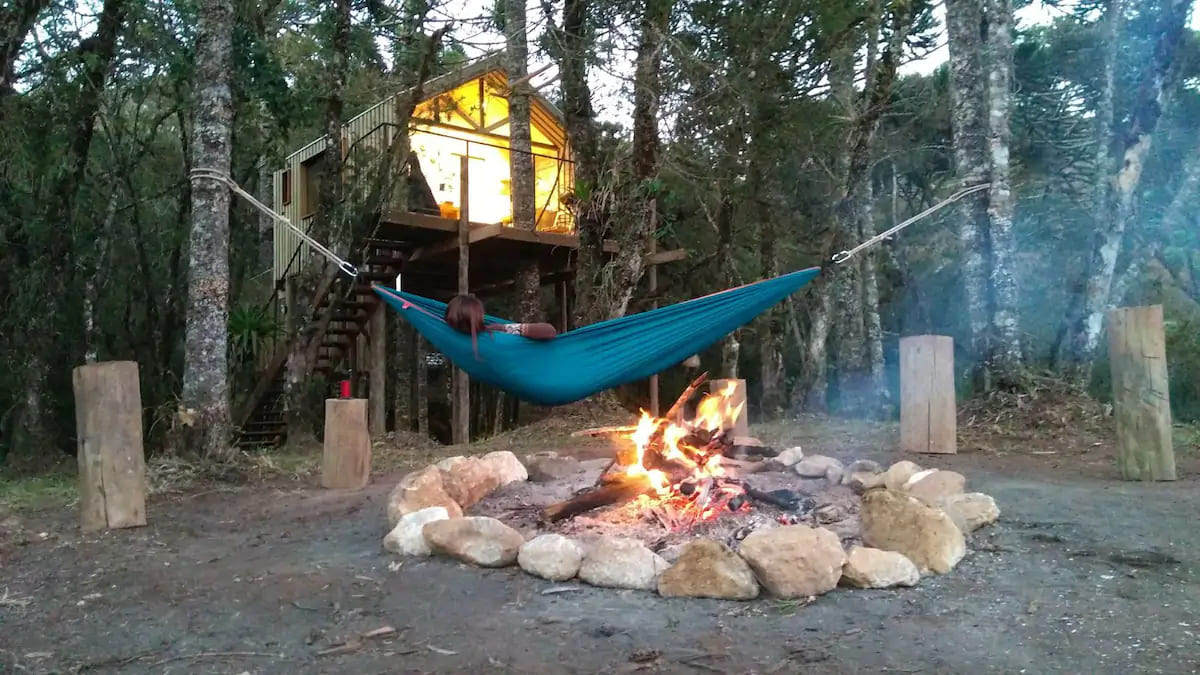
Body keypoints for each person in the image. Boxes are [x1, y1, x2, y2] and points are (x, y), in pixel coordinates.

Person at [444, 293, 558, 357]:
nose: (483, 315)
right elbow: (550, 331)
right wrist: (506, 328)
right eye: (480, 313)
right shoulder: (495, 338)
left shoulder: (452, 338)